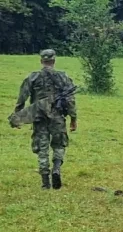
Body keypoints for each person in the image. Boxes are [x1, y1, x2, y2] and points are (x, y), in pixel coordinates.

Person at [9, 49, 77, 190]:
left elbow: (22, 99)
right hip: (58, 116)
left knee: (42, 148)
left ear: (41, 61)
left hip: (39, 117)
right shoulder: (63, 76)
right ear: (54, 61)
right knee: (59, 145)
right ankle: (56, 168)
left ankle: (45, 182)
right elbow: (70, 100)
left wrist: (17, 117)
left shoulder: (32, 77)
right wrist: (73, 118)